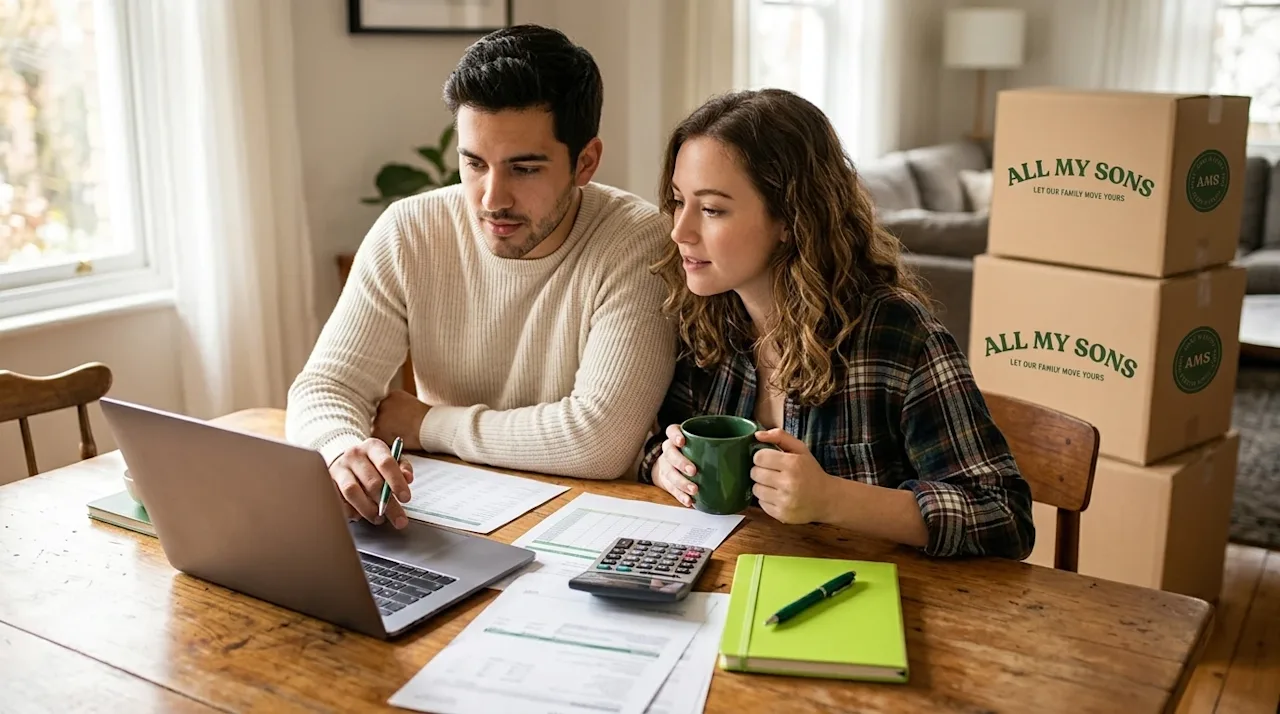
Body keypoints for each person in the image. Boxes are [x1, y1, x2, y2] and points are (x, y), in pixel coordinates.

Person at [287, 25, 675, 530]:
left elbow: (598, 440)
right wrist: (341, 451)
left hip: (588, 522)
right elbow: (326, 386)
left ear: (585, 162)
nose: (492, 199)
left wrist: (428, 424)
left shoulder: (637, 239)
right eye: (473, 164)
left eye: (525, 169)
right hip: (449, 515)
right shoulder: (410, 231)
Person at [639, 89, 1034, 560]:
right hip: (730, 583)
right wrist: (663, 465)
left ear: (790, 217)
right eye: (678, 201)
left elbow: (1004, 515)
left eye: (712, 209)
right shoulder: (703, 318)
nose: (679, 231)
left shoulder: (895, 335)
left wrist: (832, 499)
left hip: (869, 603)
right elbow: (654, 441)